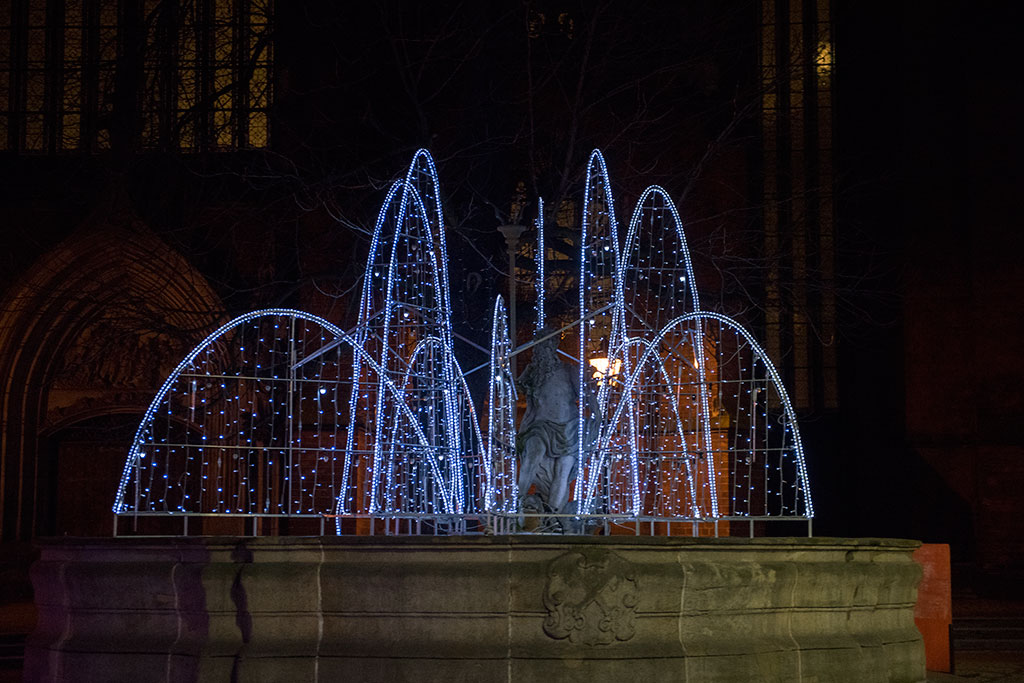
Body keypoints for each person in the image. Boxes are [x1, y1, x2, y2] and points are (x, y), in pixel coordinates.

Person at [515, 328, 599, 525]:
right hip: (540, 426)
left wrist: (599, 415)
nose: (542, 349)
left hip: (569, 428)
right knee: (531, 457)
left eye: (547, 345)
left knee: (563, 471)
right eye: (539, 346)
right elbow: (513, 388)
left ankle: (553, 516)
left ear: (553, 347)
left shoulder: (569, 371)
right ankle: (517, 502)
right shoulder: (532, 372)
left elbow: (586, 396)